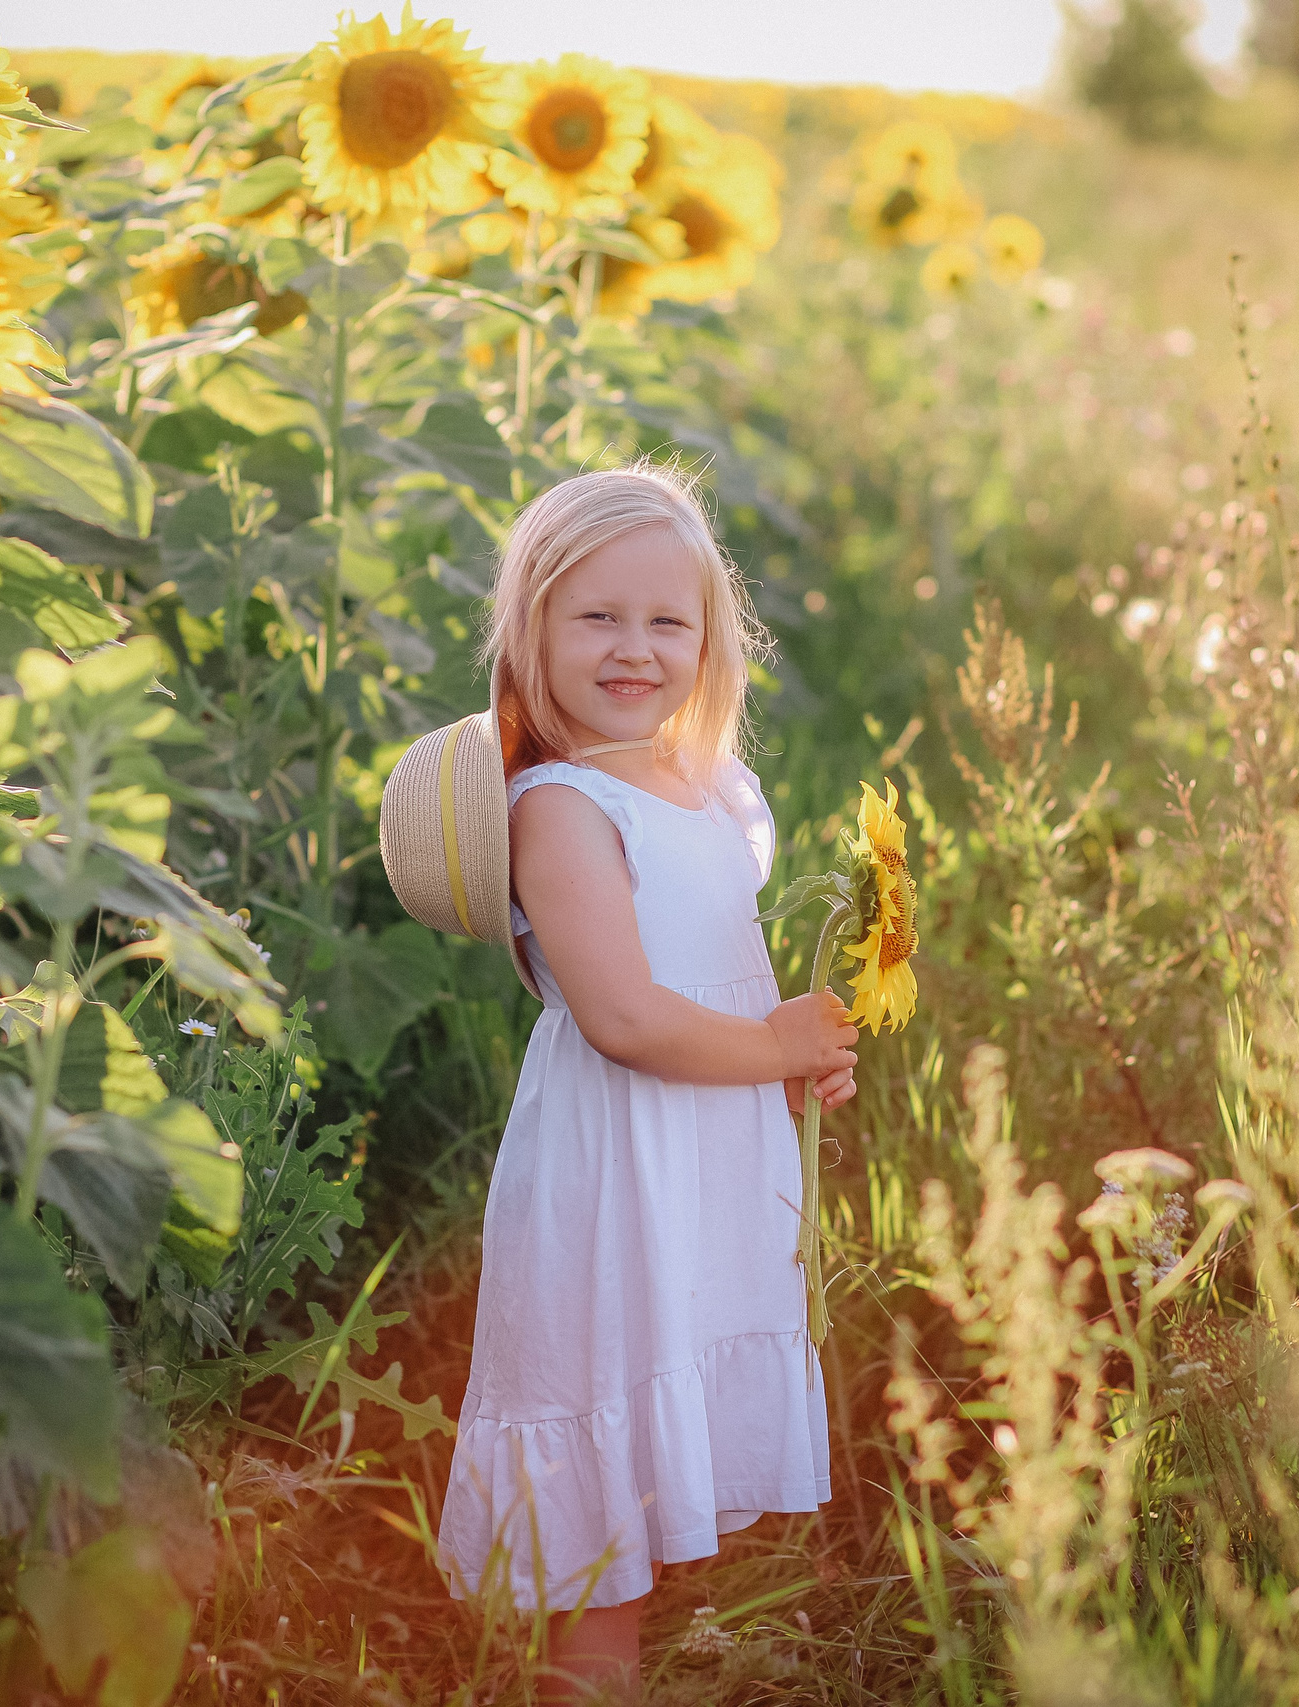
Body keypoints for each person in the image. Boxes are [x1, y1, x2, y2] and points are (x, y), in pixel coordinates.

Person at [434, 464, 858, 1702]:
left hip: (699, 1159)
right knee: (600, 1460)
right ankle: (587, 1680)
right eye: (597, 618)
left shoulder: (706, 786)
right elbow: (623, 1016)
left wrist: (784, 1064)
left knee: (660, 1408)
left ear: (710, 640)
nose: (635, 647)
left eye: (667, 620)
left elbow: (720, 982)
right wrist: (771, 1049)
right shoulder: (559, 809)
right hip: (617, 1169)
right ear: (533, 632)